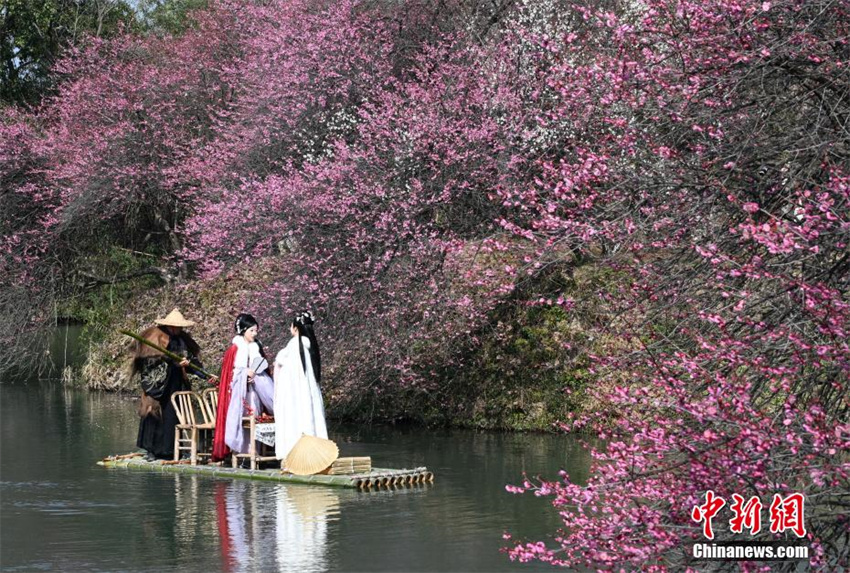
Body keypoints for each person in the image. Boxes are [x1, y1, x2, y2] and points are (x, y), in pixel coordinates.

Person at [132, 308, 213, 461]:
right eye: (176, 326)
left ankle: (170, 450)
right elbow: (149, 361)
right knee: (154, 415)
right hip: (159, 385)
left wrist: (204, 375)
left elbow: (191, 361)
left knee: (173, 415)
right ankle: (152, 451)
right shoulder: (155, 337)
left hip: (175, 383)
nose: (178, 329)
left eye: (180, 327)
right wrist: (173, 362)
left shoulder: (182, 340)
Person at [212, 313, 275, 461]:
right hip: (237, 394)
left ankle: (254, 453)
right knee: (240, 421)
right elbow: (229, 374)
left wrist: (256, 376)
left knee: (255, 419)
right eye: (251, 330)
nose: (255, 333)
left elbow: (263, 369)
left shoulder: (256, 348)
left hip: (254, 393)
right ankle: (240, 454)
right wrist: (242, 375)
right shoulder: (234, 349)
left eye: (256, 330)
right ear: (243, 330)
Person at [274, 311, 327, 462]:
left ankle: (294, 456)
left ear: (295, 328)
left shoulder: (294, 345)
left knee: (295, 420)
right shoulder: (310, 345)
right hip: (308, 395)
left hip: (294, 395)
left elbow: (286, 373)